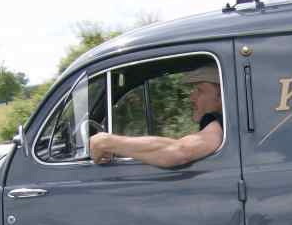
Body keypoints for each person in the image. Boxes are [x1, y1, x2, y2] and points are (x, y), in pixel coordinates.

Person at [89, 64, 223, 168]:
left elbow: (180, 152)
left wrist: (108, 142)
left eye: (200, 90)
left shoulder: (219, 125)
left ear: (221, 96)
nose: (191, 97)